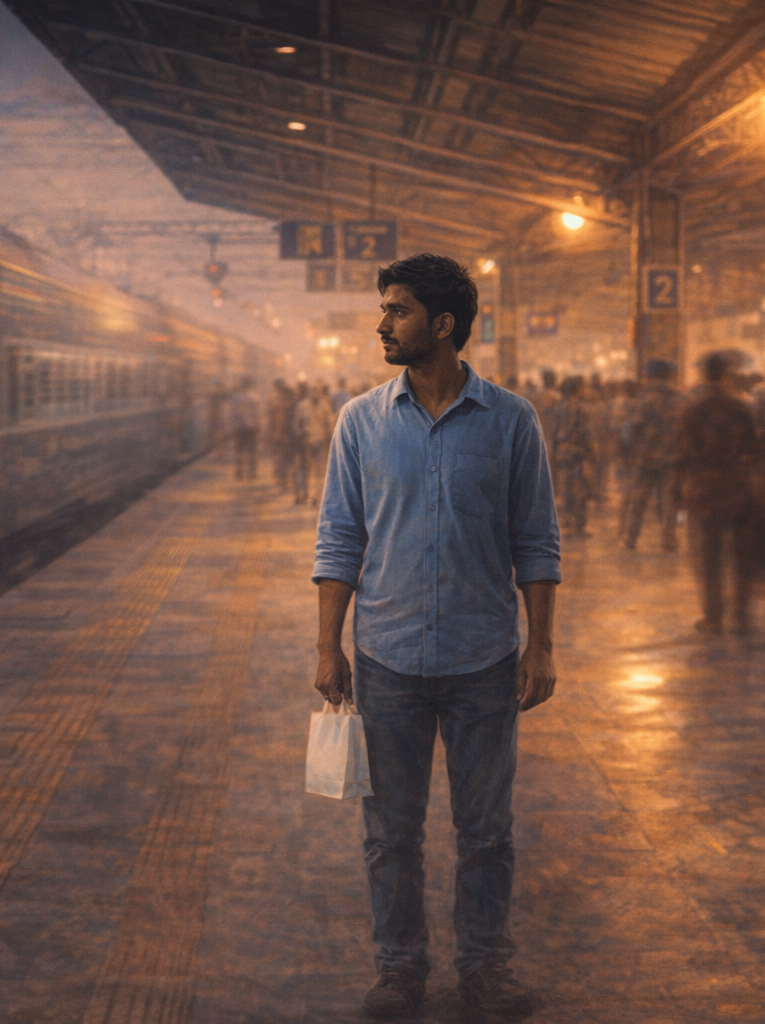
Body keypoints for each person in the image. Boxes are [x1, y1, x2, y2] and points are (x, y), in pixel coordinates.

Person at [313, 253, 560, 1019]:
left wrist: (541, 644)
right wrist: (330, 645)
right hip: (387, 659)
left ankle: (486, 965)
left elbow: (537, 541)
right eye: (386, 310)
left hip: (483, 659)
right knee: (391, 834)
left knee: (486, 831)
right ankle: (400, 968)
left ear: (443, 324)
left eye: (398, 310)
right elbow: (339, 539)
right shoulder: (359, 421)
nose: (383, 324)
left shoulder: (512, 420)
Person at [674, 351, 765, 634]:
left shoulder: (693, 409)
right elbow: (755, 450)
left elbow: (681, 455)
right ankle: (741, 615)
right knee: (742, 557)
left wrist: (676, 493)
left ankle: (713, 618)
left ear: (704, 374)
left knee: (709, 557)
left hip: (704, 492)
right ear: (726, 374)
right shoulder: (741, 408)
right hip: (738, 488)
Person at [619, 359, 683, 552]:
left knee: (639, 500)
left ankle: (630, 538)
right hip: (671, 457)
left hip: (646, 457)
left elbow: (634, 429)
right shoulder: (678, 398)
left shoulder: (644, 399)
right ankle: (668, 540)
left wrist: (631, 454)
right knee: (668, 501)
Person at [549, 376, 595, 537]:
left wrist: (554, 451)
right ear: (578, 388)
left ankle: (567, 522)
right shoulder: (581, 407)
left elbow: (553, 431)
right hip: (578, 454)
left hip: (562, 453)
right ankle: (579, 526)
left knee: (566, 487)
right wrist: (592, 451)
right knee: (580, 488)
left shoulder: (559, 406)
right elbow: (587, 432)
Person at [294, 382, 335, 504]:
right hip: (306, 442)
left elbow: (330, 425)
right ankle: (304, 494)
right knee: (305, 470)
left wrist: (328, 436)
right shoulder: (302, 406)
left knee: (320, 471)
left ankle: (317, 497)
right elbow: (296, 425)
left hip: (320, 442)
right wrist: (301, 433)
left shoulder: (324, 406)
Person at [226, 377, 260, 481]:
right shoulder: (254, 397)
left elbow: (232, 413)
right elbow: (258, 413)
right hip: (251, 428)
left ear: (242, 385)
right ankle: (251, 472)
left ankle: (239, 471)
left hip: (239, 428)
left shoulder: (235, 397)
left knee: (239, 450)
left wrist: (232, 426)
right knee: (252, 451)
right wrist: (258, 426)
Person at [268, 379, 298, 489]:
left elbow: (275, 422)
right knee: (287, 460)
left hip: (284, 436)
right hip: (288, 436)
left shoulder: (280, 405)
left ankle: (284, 480)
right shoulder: (291, 405)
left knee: (284, 460)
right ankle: (286, 481)